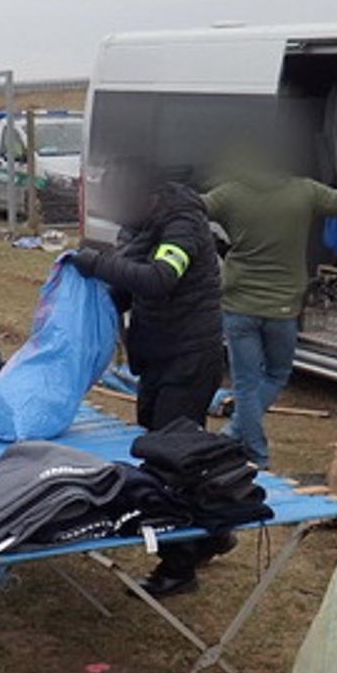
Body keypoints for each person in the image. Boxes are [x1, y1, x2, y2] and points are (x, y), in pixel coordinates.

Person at [68, 165, 233, 598]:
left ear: (151, 196)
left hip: (189, 359)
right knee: (166, 450)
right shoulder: (138, 227)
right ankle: (215, 533)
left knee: (169, 462)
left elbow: (160, 280)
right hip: (157, 357)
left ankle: (178, 568)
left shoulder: (182, 226)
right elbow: (129, 288)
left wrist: (100, 265)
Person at [202, 163, 337, 468]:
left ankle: (236, 434)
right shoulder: (305, 191)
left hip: (238, 304)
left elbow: (191, 209)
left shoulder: (230, 194)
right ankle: (257, 453)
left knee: (245, 383)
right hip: (282, 307)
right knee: (276, 374)